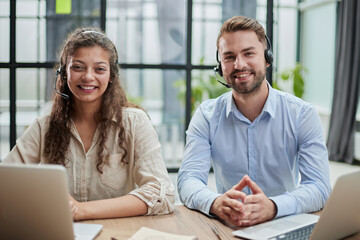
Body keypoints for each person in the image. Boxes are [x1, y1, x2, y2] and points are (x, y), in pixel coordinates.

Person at [2, 27, 174, 220]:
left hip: (119, 231)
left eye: (99, 69)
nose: (88, 77)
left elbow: (162, 194)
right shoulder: (45, 126)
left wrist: (81, 210)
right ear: (64, 72)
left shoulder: (134, 122)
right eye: (78, 67)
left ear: (111, 76)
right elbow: (5, 181)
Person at [177, 16, 331, 227]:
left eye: (248, 53)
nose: (239, 64)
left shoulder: (301, 115)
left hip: (284, 222)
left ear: (267, 58)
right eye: (229, 57)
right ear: (220, 66)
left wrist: (274, 206)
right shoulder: (206, 115)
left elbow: (319, 186)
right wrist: (215, 202)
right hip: (230, 224)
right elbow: (188, 180)